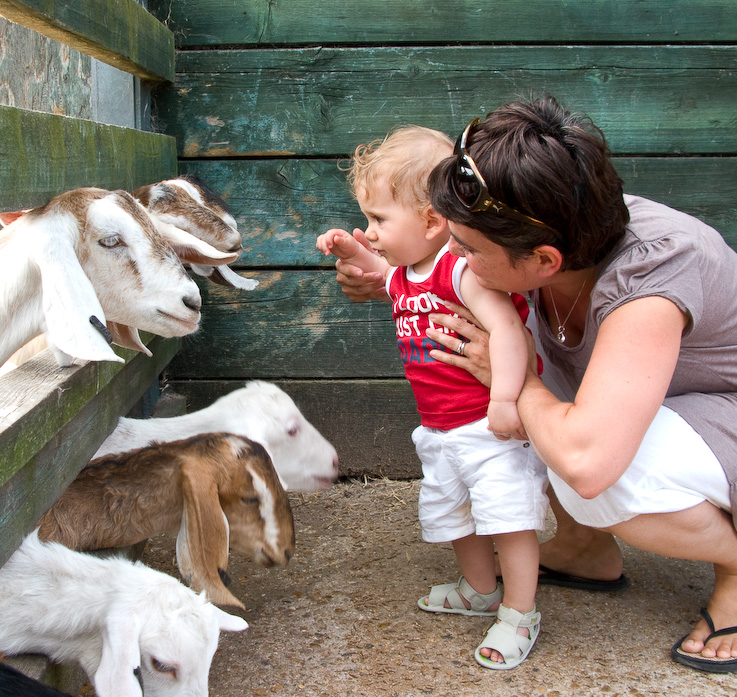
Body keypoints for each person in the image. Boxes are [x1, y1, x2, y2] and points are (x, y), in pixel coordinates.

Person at [332, 95, 737, 673]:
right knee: (555, 419)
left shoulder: (652, 272)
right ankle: (584, 548)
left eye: (466, 249)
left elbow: (589, 458)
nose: (456, 257)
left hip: (720, 408)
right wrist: (389, 282)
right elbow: (440, 276)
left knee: (595, 473)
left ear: (544, 260)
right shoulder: (539, 222)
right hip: (641, 396)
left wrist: (512, 382)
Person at [316, 125, 548, 670]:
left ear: (430, 221)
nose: (370, 231)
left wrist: (508, 401)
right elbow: (379, 273)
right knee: (456, 516)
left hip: (485, 424)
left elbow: (511, 334)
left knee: (507, 520)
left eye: (378, 220)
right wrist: (351, 247)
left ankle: (520, 612)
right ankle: (479, 589)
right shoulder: (404, 274)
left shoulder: (463, 269)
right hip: (439, 426)